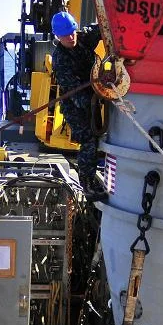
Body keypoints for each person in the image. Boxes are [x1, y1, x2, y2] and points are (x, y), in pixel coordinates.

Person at [50, 10, 103, 194]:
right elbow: (74, 91)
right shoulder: (60, 59)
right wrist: (98, 98)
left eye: (72, 32)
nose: (71, 38)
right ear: (58, 36)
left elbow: (105, 26)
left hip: (94, 92)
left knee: (99, 137)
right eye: (66, 36)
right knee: (89, 139)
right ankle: (86, 183)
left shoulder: (84, 37)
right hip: (75, 103)